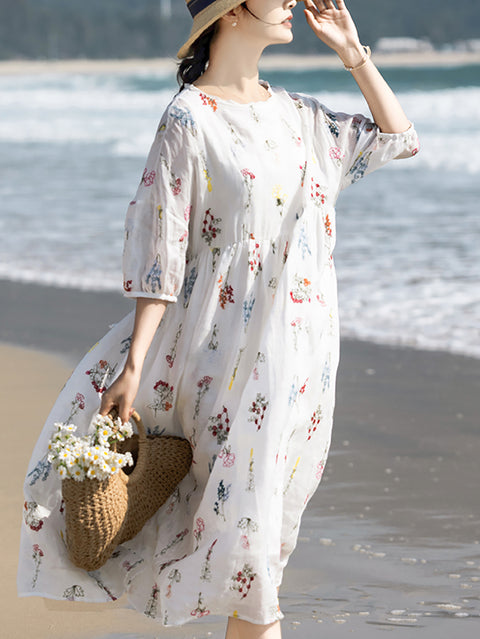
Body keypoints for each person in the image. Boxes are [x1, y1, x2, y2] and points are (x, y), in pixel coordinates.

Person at [18, 1, 419, 637]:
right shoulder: (188, 119)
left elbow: (399, 138)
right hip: (221, 362)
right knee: (252, 570)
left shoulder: (297, 117)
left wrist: (353, 50)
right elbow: (161, 251)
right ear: (230, 11)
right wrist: (131, 366)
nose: (291, 0)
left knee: (260, 567)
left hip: (300, 363)